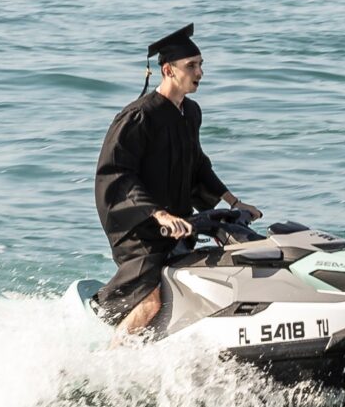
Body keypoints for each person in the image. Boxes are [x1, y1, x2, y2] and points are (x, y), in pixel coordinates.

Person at [93, 23, 261, 341]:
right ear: (168, 70)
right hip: (140, 230)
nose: (200, 72)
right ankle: (110, 360)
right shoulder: (138, 117)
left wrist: (234, 202)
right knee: (151, 299)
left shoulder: (190, 112)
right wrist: (158, 214)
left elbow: (197, 166)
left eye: (201, 65)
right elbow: (117, 174)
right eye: (192, 66)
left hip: (177, 222)